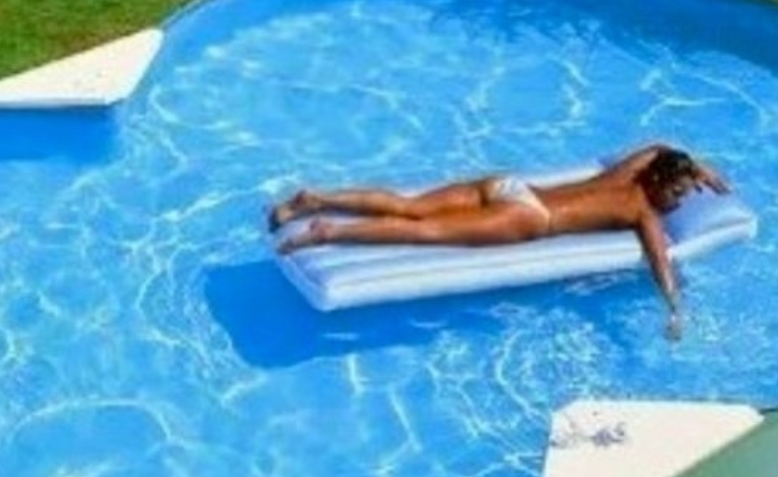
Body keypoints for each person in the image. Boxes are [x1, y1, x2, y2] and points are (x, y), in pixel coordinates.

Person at [269, 145, 730, 340]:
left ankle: (315, 199)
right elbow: (661, 262)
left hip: (510, 186)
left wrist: (697, 167)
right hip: (530, 217)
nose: (679, 201)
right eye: (679, 191)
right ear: (658, 182)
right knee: (423, 232)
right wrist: (674, 308)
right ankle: (329, 232)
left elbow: (658, 147)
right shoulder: (642, 211)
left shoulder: (628, 172)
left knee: (410, 206)